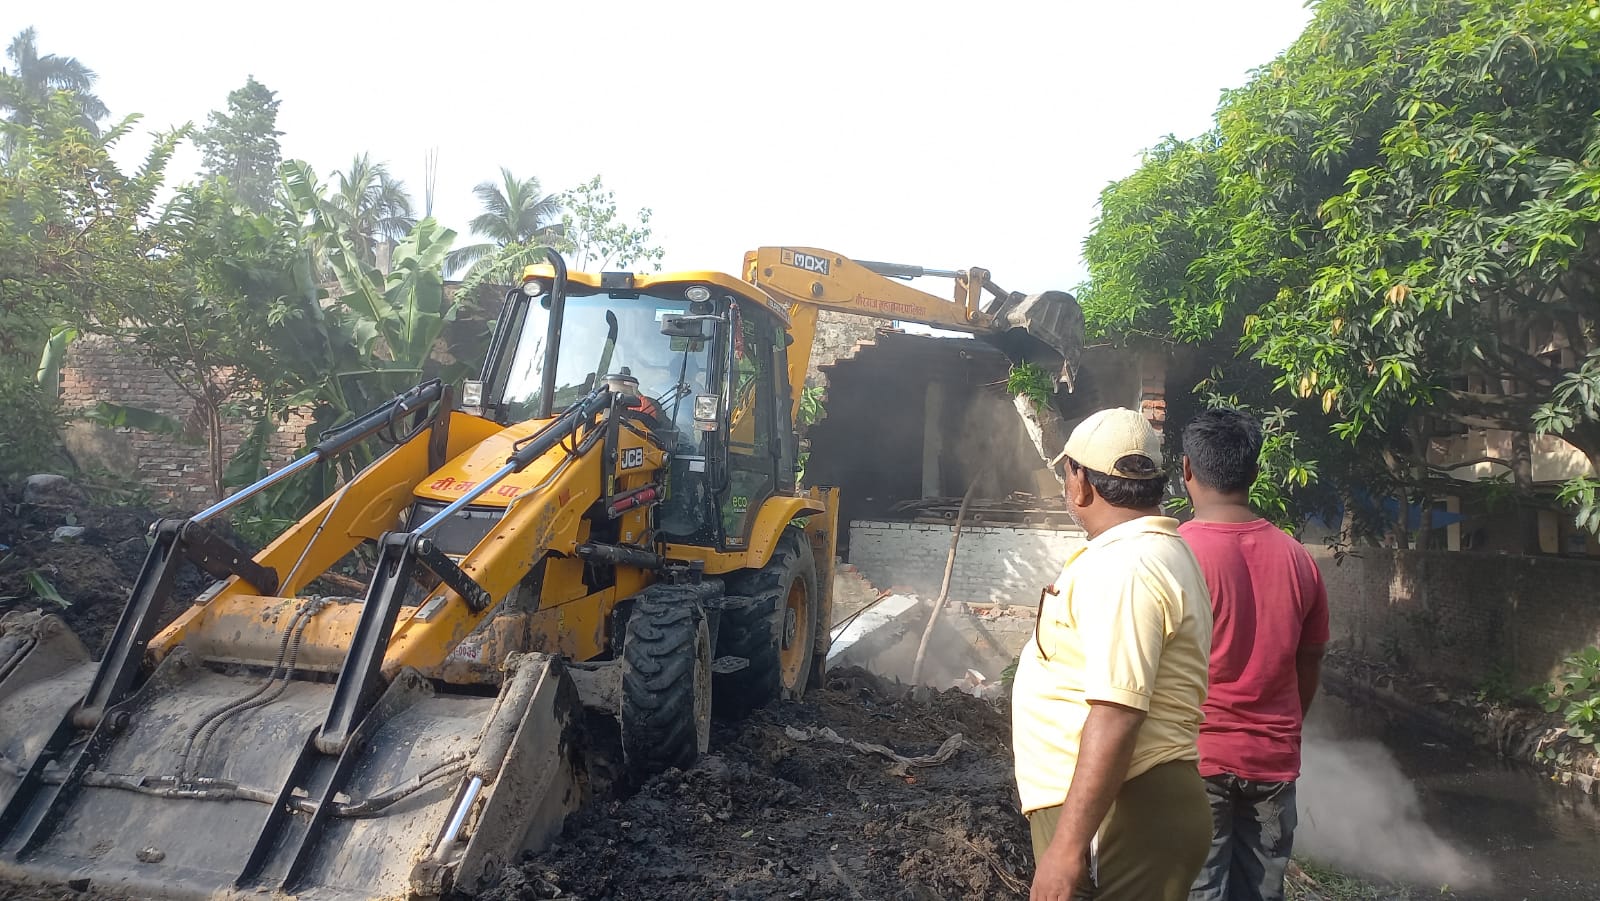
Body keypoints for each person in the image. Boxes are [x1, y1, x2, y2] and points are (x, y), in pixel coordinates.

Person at [1013, 407, 1214, 901]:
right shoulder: (1156, 552)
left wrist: (1065, 849)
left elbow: (1118, 713)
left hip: (1123, 809)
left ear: (1081, 482)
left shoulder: (1128, 568)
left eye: (1067, 472)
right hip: (1125, 808)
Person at [1179, 408, 1329, 901]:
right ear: (1256, 473)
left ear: (1186, 470)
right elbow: (1308, 665)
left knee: (1202, 890)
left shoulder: (1173, 555)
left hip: (1197, 760)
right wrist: (1281, 727)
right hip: (1273, 760)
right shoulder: (1299, 559)